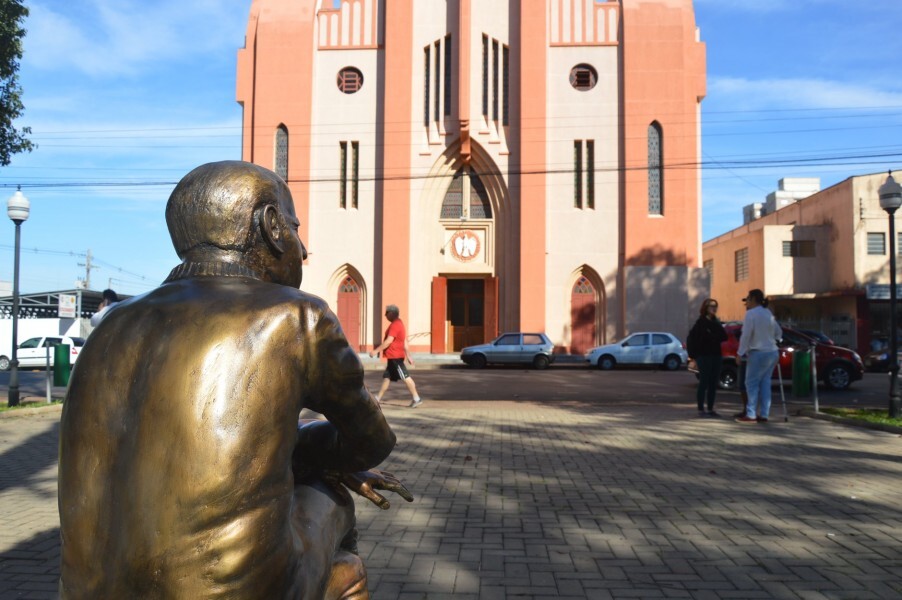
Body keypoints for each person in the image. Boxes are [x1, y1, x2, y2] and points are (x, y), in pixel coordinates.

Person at [58, 161, 412, 599]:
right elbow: (371, 442)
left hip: (87, 590)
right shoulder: (297, 315)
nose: (303, 248)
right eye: (295, 228)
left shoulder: (110, 325)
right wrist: (323, 455)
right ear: (270, 227)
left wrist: (297, 447)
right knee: (333, 500)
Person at [736, 289, 782, 424]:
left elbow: (746, 335)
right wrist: (773, 340)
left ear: (753, 299)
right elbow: (778, 332)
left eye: (748, 299)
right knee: (765, 383)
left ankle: (751, 414)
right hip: (772, 352)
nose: (747, 302)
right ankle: (764, 414)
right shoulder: (768, 313)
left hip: (758, 352)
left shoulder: (751, 314)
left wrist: (740, 353)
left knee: (751, 383)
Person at [369, 305, 422, 408]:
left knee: (405, 376)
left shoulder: (395, 325)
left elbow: (388, 341)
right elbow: (405, 341)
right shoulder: (399, 323)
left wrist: (375, 351)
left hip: (395, 357)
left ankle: (417, 398)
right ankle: (378, 398)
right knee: (387, 377)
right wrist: (408, 355)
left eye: (386, 313)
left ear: (392, 313)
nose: (385, 316)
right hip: (393, 356)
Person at [687, 298, 727, 417]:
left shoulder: (716, 322)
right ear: (705, 308)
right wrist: (693, 357)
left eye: (715, 306)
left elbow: (724, 336)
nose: (714, 308)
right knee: (704, 382)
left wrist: (713, 335)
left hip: (716, 355)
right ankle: (701, 409)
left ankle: (710, 409)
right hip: (704, 356)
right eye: (711, 306)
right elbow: (691, 340)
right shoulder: (700, 323)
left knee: (713, 383)